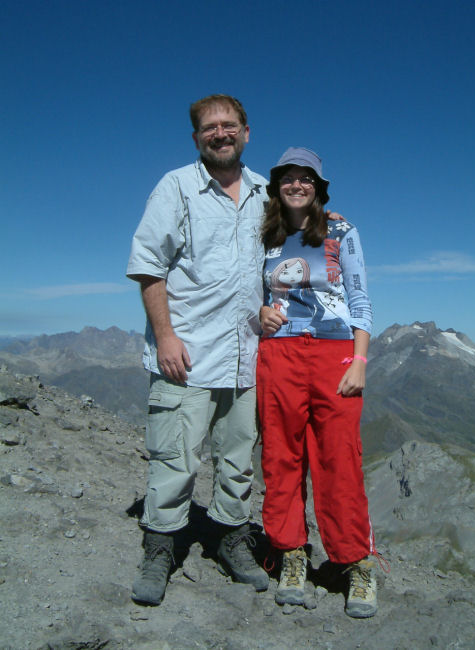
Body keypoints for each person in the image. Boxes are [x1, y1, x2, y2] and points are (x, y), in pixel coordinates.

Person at [126, 94, 270, 605]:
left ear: (246, 132)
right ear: (196, 138)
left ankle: (231, 538)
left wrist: (327, 218)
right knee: (175, 458)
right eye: (209, 128)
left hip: (246, 355)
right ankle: (160, 547)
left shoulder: (266, 193)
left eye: (229, 125)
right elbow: (148, 264)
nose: (220, 133)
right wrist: (165, 336)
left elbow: (294, 250)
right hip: (186, 355)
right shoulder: (176, 187)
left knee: (237, 461)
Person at [257, 147, 379, 618]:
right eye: (288, 177)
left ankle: (355, 562)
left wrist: (360, 359)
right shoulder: (264, 236)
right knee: (280, 455)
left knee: (339, 459)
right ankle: (290, 554)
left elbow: (360, 296)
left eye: (306, 177)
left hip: (334, 354)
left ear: (319, 187)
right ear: (277, 186)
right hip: (279, 354)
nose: (297, 184)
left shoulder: (342, 231)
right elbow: (249, 294)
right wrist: (259, 313)